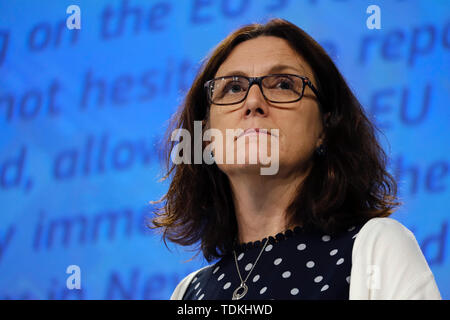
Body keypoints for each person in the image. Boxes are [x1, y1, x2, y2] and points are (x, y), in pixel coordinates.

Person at [150, 18, 441, 300]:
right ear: (208, 138)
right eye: (233, 88)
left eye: (283, 84)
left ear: (325, 128)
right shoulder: (189, 292)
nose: (253, 102)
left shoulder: (376, 248)